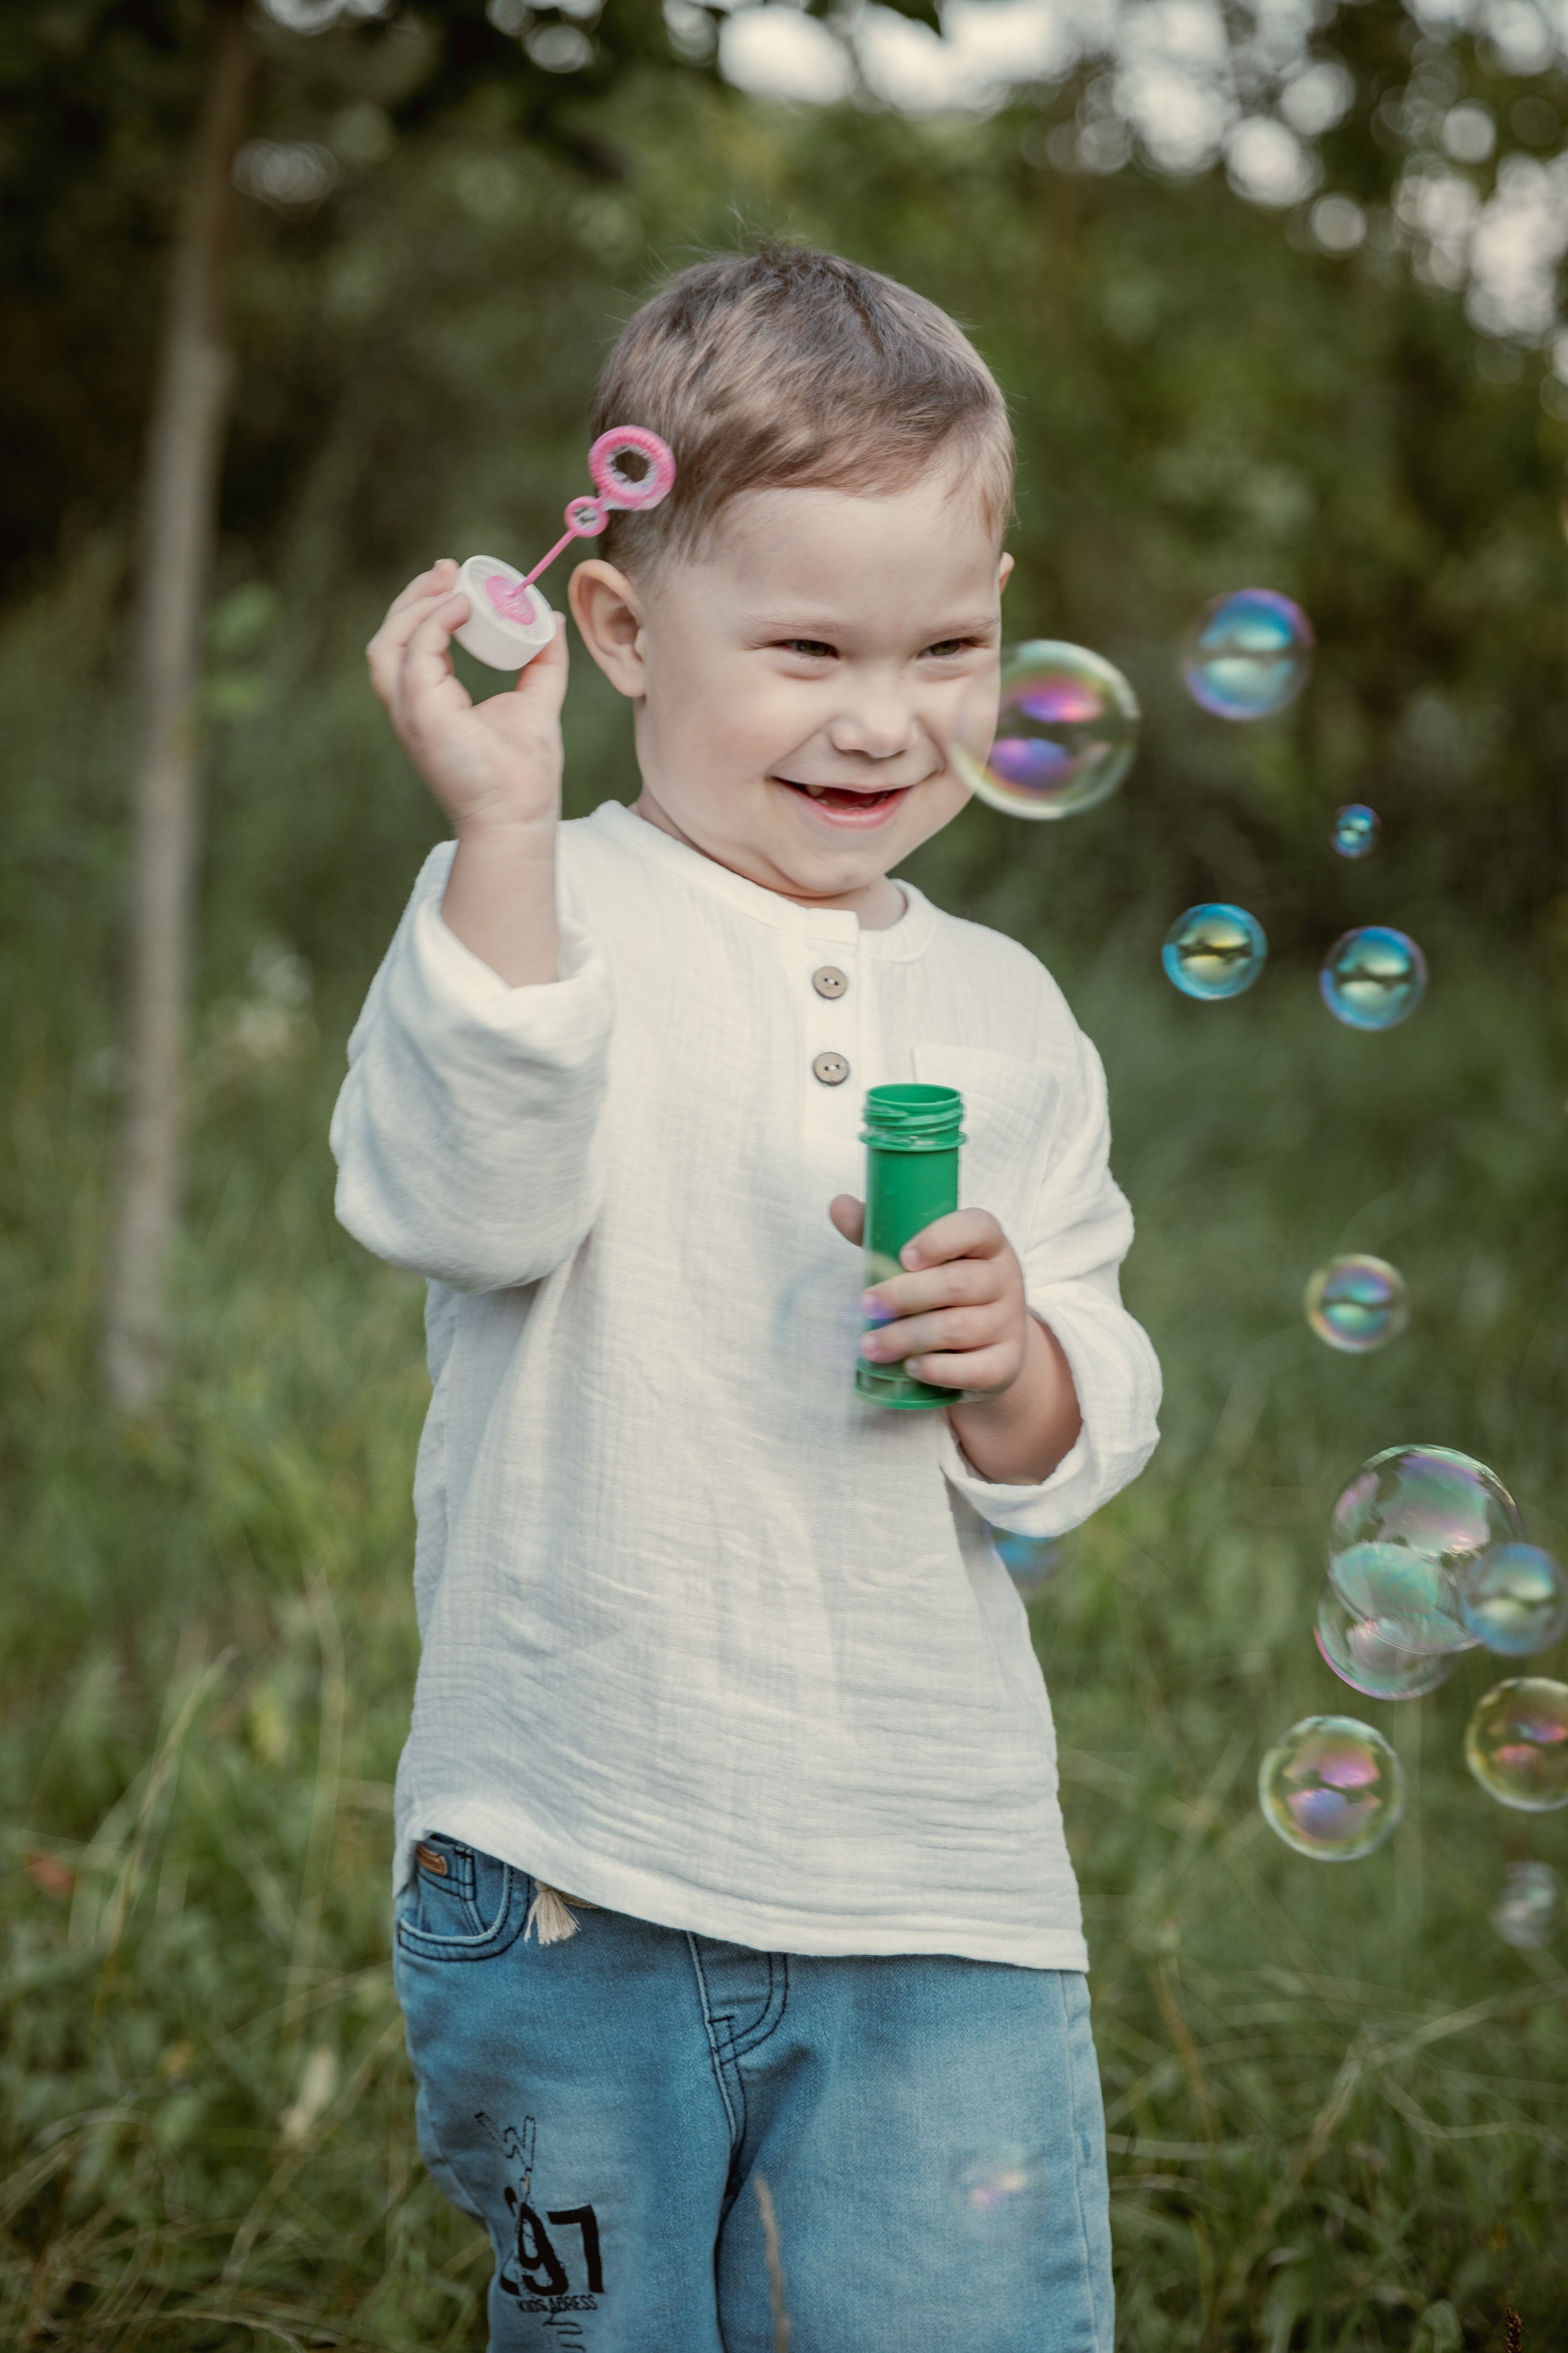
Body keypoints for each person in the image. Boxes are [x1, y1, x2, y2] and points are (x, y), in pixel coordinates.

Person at [333, 244, 1160, 2353]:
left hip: (931, 1884)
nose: (884, 719)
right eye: (803, 646)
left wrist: (1025, 1368)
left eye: (950, 647)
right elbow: (466, 1199)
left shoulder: (1006, 1007)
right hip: (572, 1858)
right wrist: (501, 828)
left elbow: (1081, 1423)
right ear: (615, 623)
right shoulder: (543, 909)